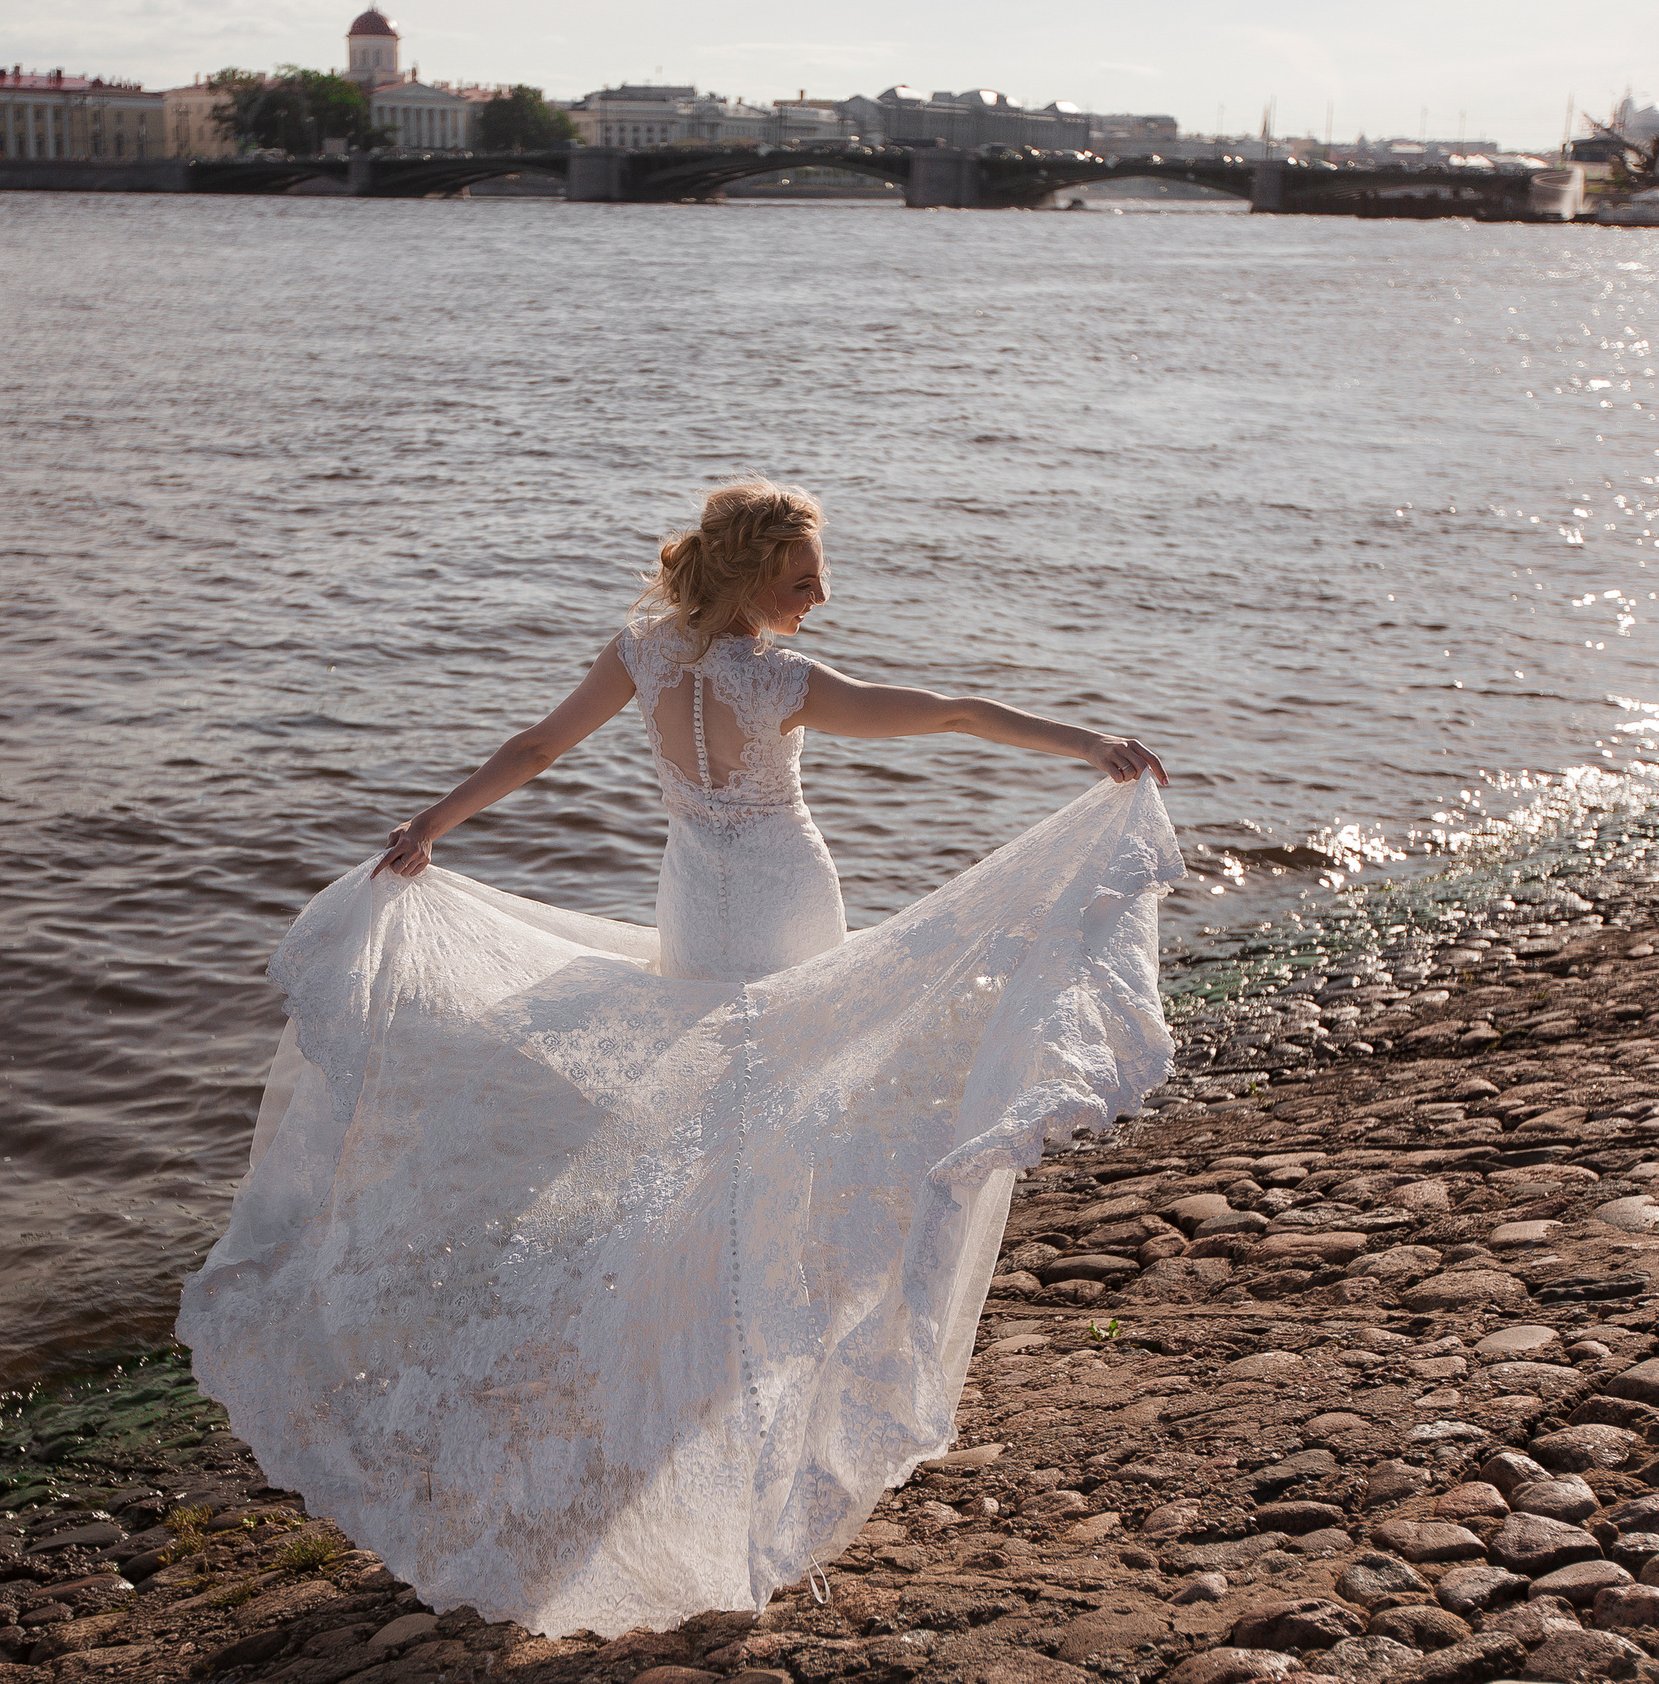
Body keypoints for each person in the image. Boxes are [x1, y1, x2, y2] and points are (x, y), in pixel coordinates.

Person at [178, 479, 1183, 1639]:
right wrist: (1088, 744)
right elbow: (956, 713)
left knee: (719, 1132)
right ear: (754, 577)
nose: (822, 593)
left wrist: (433, 825)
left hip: (694, 913)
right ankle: (735, 1375)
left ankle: (689, 1359)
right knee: (782, 1136)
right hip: (783, 900)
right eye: (804, 575)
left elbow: (535, 745)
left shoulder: (645, 658)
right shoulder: (781, 682)